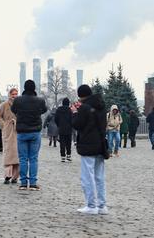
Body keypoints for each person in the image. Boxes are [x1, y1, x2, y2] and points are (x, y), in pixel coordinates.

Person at [72, 84, 108, 215]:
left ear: (80, 96)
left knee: (88, 176)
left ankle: (91, 205)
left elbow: (77, 124)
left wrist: (75, 113)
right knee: (99, 177)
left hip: (88, 144)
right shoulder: (101, 106)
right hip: (100, 144)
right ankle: (102, 205)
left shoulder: (85, 108)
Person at [11, 79, 47, 190]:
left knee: (22, 158)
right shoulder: (40, 101)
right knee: (33, 158)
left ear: (24, 88)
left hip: (22, 132)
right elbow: (44, 110)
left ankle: (22, 183)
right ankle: (32, 183)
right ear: (34, 88)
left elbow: (13, 110)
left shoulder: (18, 100)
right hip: (35, 132)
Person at [0, 88, 19, 183]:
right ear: (9, 94)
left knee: (17, 154)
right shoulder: (4, 104)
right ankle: (7, 175)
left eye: (16, 94)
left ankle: (15, 176)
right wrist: (4, 125)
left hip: (17, 130)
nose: (14, 96)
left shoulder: (19, 105)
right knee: (8, 153)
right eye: (13, 94)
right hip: (8, 131)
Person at [54, 98, 73, 163]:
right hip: (68, 128)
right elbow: (72, 119)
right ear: (68, 103)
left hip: (61, 128)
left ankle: (63, 156)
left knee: (62, 143)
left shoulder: (58, 110)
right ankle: (68, 155)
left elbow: (56, 119)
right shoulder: (70, 110)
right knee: (68, 142)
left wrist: (59, 125)